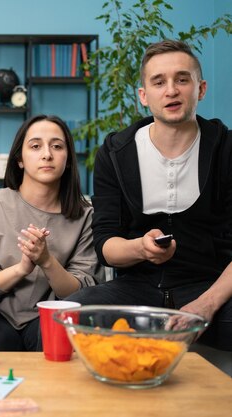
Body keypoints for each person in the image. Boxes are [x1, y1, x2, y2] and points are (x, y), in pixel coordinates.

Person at [66, 40, 232, 351]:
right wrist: (141, 248)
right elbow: (106, 245)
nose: (171, 90)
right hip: (135, 290)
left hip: (213, 287)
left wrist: (206, 304)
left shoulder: (226, 149)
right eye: (159, 82)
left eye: (182, 79)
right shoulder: (115, 153)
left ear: (201, 89)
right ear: (144, 95)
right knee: (68, 321)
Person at [0, 115, 102, 351]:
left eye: (57, 146)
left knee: (54, 340)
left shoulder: (85, 217)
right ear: (19, 159)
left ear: (68, 159)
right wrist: (23, 268)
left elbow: (81, 292)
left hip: (51, 320)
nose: (47, 154)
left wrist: (46, 261)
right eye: (36, 146)